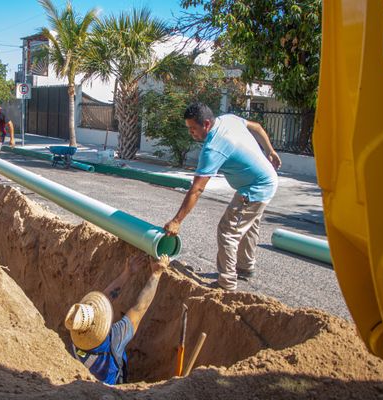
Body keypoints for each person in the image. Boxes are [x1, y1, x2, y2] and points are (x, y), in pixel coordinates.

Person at [164, 103, 281, 291]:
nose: (191, 133)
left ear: (207, 124)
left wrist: (177, 221)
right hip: (266, 180)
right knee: (247, 225)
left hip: (256, 187)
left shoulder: (213, 148)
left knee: (228, 230)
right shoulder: (229, 119)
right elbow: (258, 128)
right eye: (189, 129)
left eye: (193, 128)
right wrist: (270, 151)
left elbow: (197, 189)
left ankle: (226, 283)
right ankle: (245, 267)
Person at [64, 254, 169, 385]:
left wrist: (127, 273)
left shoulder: (77, 337)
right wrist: (156, 275)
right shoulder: (113, 339)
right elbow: (139, 309)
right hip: (111, 390)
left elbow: (104, 300)